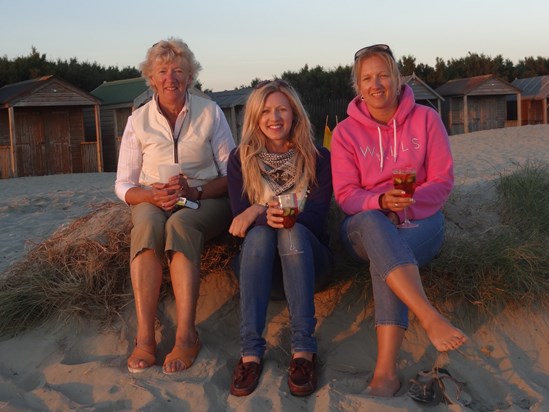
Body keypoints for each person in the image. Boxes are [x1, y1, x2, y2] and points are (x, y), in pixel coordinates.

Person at [330, 44, 468, 397]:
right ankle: (428, 315)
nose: (376, 84)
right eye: (367, 78)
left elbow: (442, 181)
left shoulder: (426, 119)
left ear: (397, 78)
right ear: (357, 86)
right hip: (363, 226)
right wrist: (379, 202)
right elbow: (345, 195)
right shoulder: (345, 132)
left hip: (421, 221)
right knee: (376, 227)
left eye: (383, 75)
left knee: (387, 253)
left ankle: (385, 372)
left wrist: (403, 207)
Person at [114, 38, 235, 374]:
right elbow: (123, 184)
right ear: (151, 78)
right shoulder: (138, 120)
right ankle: (145, 338)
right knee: (149, 225)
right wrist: (151, 195)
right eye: (162, 71)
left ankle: (185, 336)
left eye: (178, 70)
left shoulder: (210, 112)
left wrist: (194, 192)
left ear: (190, 76)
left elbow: (232, 176)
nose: (171, 78)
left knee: (180, 225)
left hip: (205, 198)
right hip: (154, 198)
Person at [227, 80, 333, 397]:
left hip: (308, 264)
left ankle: (303, 351)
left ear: (295, 114)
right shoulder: (240, 159)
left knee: (292, 230)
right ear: (256, 118)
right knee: (259, 236)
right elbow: (239, 220)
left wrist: (275, 215)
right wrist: (261, 212)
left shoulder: (318, 157)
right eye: (266, 111)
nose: (274, 118)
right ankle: (250, 354)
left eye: (282, 109)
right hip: (260, 271)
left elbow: (315, 219)